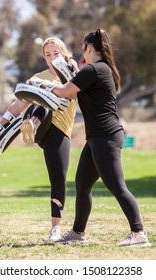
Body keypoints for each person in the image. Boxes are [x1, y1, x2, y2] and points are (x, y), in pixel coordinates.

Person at [37, 29, 151, 247]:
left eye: (83, 49)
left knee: (116, 185)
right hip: (96, 138)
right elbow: (73, 81)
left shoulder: (94, 69)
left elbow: (65, 91)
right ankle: (77, 232)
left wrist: (41, 86)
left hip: (105, 136)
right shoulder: (99, 69)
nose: (82, 54)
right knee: (82, 184)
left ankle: (138, 233)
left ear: (89, 48)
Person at [0, 37, 78, 242]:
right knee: (41, 98)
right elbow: (18, 104)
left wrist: (72, 66)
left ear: (64, 53)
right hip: (42, 128)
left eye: (56, 53)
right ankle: (31, 125)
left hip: (61, 132)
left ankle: (55, 227)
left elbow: (79, 89)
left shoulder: (73, 75)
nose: (52, 57)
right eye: (48, 54)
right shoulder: (38, 77)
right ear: (44, 57)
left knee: (58, 179)